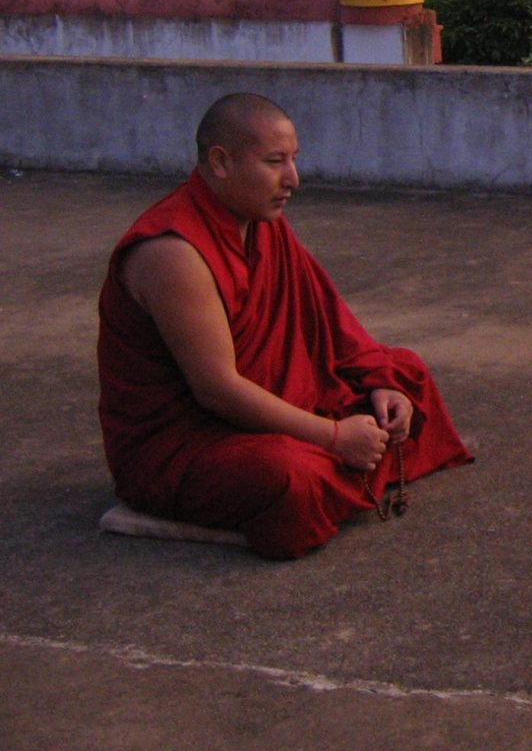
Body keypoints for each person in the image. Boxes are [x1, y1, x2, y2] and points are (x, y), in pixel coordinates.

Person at [98, 92, 472, 558]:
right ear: (220, 162)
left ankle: (341, 463)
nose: (292, 179)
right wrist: (336, 438)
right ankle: (323, 478)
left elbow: (332, 331)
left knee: (407, 376)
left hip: (270, 408)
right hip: (187, 444)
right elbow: (217, 390)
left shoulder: (260, 221)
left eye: (293, 160)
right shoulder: (173, 253)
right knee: (289, 477)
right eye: (275, 162)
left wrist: (379, 384)